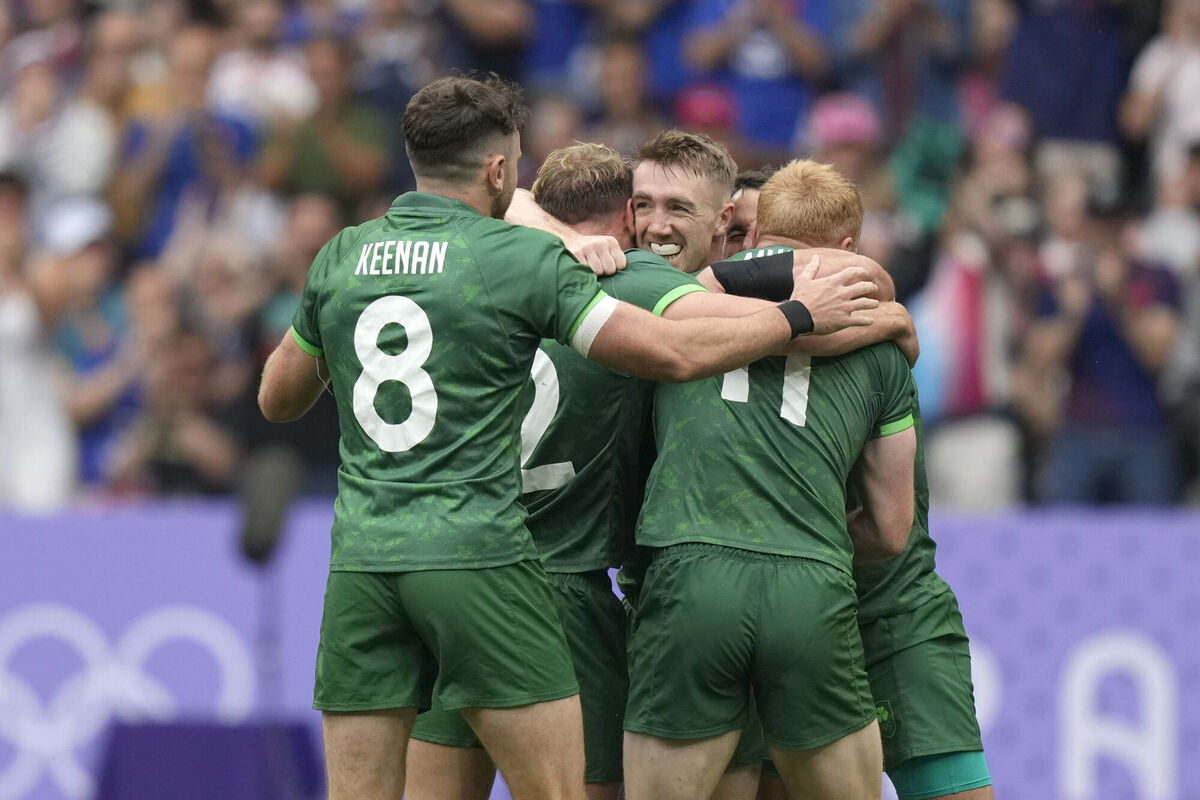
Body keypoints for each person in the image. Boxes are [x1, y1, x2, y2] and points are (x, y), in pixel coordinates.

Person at [256, 75, 878, 800]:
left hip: (364, 560)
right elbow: (675, 352)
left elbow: (277, 399)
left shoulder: (341, 256)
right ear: (497, 169)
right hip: (487, 561)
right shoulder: (528, 265)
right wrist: (798, 315)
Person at [623, 158, 918, 800]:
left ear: (753, 233)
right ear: (847, 244)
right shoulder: (881, 347)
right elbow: (892, 528)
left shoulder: (675, 306)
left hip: (690, 572)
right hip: (810, 581)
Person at [709, 160, 993, 800]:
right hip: (810, 612)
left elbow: (890, 531)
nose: (757, 261)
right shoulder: (876, 335)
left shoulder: (695, 334)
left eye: (756, 241)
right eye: (736, 240)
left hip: (853, 608)